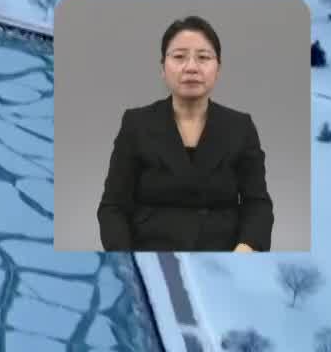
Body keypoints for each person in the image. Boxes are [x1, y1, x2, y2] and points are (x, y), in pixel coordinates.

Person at [96, 16, 273, 252]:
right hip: (151, 253)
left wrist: (246, 248)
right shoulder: (136, 124)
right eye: (179, 57)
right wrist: (127, 256)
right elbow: (112, 207)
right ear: (163, 67)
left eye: (203, 58)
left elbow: (257, 204)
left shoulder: (240, 127)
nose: (191, 68)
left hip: (222, 256)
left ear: (218, 68)